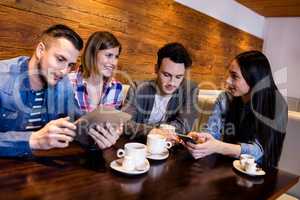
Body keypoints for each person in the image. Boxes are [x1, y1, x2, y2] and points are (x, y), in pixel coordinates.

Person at [0, 24, 120, 157]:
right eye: (60, 59)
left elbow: (78, 124)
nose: (64, 71)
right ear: (40, 51)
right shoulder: (3, 77)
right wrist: (33, 140)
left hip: (44, 167)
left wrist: (99, 136)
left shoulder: (63, 83)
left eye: (70, 65)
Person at [185, 50, 287, 169]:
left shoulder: (275, 106)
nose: (228, 81)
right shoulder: (225, 98)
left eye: (234, 76)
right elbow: (213, 132)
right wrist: (202, 139)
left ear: (254, 79)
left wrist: (218, 147)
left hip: (259, 173)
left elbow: (258, 152)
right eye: (229, 75)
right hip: (226, 167)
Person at [123, 42, 199, 139]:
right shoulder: (137, 88)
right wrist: (152, 131)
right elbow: (124, 123)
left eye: (178, 77)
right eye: (166, 75)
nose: (172, 82)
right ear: (156, 69)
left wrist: (146, 129)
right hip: (137, 146)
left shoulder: (190, 90)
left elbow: (184, 126)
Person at [68, 31, 123, 111]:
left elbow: (116, 119)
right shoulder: (68, 82)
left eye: (116, 57)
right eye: (109, 55)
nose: (114, 63)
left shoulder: (116, 87)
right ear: (92, 54)